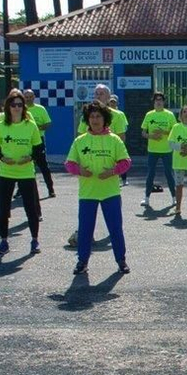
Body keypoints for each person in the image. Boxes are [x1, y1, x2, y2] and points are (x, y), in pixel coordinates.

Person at [65, 101, 131, 275]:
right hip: (88, 193)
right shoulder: (80, 141)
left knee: (115, 228)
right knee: (85, 229)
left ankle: (121, 260)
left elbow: (126, 162)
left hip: (110, 192)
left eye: (98, 116)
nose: (95, 120)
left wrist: (113, 171)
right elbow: (69, 164)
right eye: (92, 116)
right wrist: (79, 170)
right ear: (87, 119)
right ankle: (82, 261)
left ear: (105, 119)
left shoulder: (114, 140)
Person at [0, 89, 43, 256]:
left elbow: (38, 147)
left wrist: (30, 158)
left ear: (24, 107)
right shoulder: (1, 125)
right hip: (6, 172)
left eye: (20, 105)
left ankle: (34, 240)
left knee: (31, 208)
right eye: (13, 105)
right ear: (8, 106)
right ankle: (4, 241)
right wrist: (2, 158)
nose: (17, 108)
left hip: (26, 172)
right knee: (3, 209)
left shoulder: (30, 125)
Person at [140, 92, 177, 209]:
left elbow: (175, 132)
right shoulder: (149, 115)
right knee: (151, 173)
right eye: (156, 100)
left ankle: (174, 198)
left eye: (160, 99)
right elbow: (143, 133)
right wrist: (151, 136)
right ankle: (146, 198)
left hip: (167, 150)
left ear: (164, 101)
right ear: (154, 102)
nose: (159, 102)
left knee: (168, 173)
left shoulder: (170, 115)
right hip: (153, 149)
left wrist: (163, 132)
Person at [22, 87, 55, 198]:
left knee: (43, 166)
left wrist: (37, 127)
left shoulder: (40, 109)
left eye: (30, 97)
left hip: (39, 140)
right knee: (24, 165)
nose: (28, 99)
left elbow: (48, 123)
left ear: (34, 97)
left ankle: (50, 189)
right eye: (26, 97)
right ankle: (21, 190)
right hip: (25, 141)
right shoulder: (21, 110)